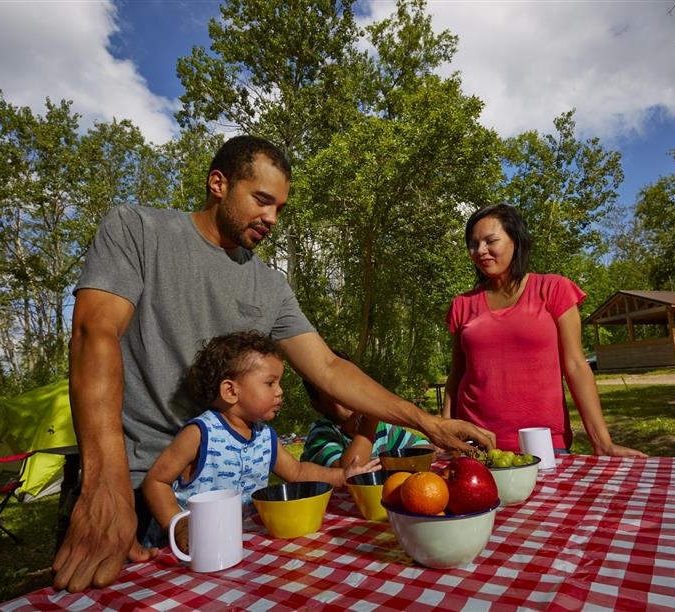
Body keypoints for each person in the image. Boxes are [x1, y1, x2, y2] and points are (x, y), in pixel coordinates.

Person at [53, 135, 495, 592]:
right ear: (218, 183)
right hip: (136, 495)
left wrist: (428, 423)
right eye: (262, 200)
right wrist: (104, 484)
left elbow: (329, 368)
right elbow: (93, 334)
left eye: (279, 208)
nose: (272, 218)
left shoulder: (271, 287)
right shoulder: (138, 230)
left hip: (234, 509)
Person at [142, 331, 380, 552]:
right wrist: (179, 526)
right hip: (184, 552)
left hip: (235, 545)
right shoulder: (201, 434)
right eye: (270, 383)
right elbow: (156, 481)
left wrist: (342, 476)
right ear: (230, 391)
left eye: (279, 383)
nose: (280, 391)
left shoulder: (265, 437)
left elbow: (298, 472)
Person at [443, 203, 645, 457]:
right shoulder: (462, 304)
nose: (480, 250)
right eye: (473, 244)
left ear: (516, 241)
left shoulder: (553, 289)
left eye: (490, 241)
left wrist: (602, 442)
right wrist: (444, 432)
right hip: (474, 445)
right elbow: (456, 376)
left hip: (543, 444)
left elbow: (576, 366)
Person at [300, 349, 432, 467]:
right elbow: (348, 472)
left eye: (351, 384)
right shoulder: (320, 435)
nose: (346, 394)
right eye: (334, 392)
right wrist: (372, 417)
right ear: (317, 406)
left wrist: (390, 463)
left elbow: (425, 449)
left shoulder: (381, 429)